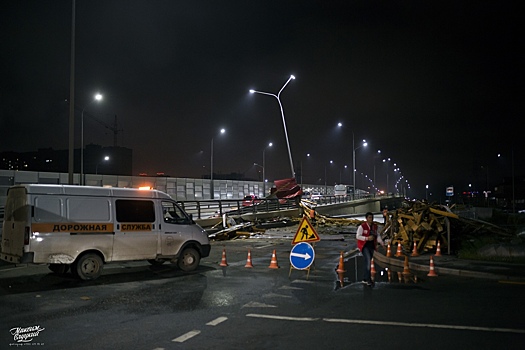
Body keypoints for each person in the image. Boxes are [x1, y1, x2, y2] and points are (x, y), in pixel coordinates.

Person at [356, 212, 384, 286]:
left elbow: (377, 235)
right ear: (366, 218)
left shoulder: (375, 227)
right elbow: (358, 236)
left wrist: (381, 242)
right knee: (368, 261)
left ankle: (365, 278)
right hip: (364, 246)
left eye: (372, 217)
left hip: (371, 246)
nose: (371, 219)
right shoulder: (362, 226)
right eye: (369, 217)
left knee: (367, 262)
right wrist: (366, 238)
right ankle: (368, 279)